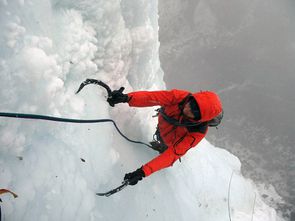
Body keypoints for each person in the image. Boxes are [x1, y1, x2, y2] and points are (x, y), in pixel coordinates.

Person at [107, 88, 223, 185]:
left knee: (165, 149)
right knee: (161, 138)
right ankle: (161, 144)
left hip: (170, 140)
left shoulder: (197, 132)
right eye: (191, 104)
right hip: (164, 129)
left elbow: (173, 153)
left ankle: (162, 147)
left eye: (193, 112)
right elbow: (152, 97)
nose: (187, 109)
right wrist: (127, 98)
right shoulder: (180, 97)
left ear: (200, 119)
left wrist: (142, 172)